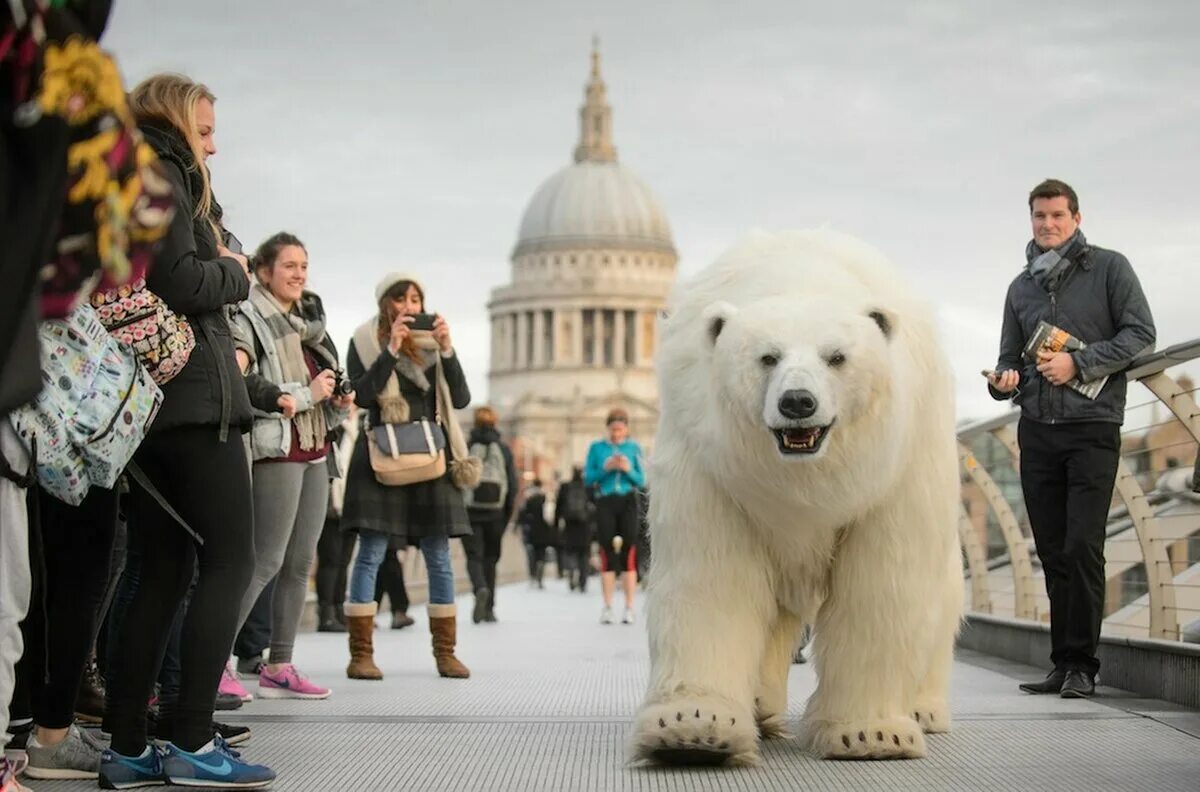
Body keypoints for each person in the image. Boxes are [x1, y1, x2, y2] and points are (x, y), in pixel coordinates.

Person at [100, 74, 275, 789]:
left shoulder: (124, 173)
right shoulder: (165, 171)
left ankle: (131, 747)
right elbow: (182, 282)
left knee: (162, 571)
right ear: (175, 121)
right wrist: (234, 270)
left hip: (151, 407)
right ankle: (195, 739)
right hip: (195, 402)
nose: (213, 144)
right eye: (205, 129)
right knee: (231, 560)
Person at [987, 178, 1155, 699]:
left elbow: (1140, 334)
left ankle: (1083, 665)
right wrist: (1002, 382)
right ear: (1031, 220)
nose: (1048, 224)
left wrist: (1078, 362)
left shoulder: (1109, 268)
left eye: (1058, 215)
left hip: (1092, 428)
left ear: (1076, 219)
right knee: (1054, 550)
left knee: (1083, 546)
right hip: (1037, 431)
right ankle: (1063, 664)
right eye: (1039, 216)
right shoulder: (1021, 288)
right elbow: (1009, 358)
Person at [230, 232, 353, 700]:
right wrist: (307, 394)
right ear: (264, 271)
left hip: (316, 449)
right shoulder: (250, 317)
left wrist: (338, 401)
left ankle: (279, 663)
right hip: (277, 450)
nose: (300, 274)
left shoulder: (307, 325)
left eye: (304, 265)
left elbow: (323, 404)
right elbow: (250, 386)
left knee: (301, 564)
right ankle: (218, 662)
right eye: (289, 266)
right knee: (265, 561)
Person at [341, 274, 473, 680]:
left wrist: (448, 351)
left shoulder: (434, 345)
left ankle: (445, 653)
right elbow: (362, 395)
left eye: (417, 298)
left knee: (438, 555)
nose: (411, 306)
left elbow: (462, 398)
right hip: (383, 453)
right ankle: (361, 654)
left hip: (430, 453)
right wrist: (392, 350)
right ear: (387, 304)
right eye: (403, 298)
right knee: (371, 552)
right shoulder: (365, 340)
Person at [583, 409, 646, 625]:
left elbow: (641, 479)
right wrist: (606, 468)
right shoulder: (597, 448)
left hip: (627, 501)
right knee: (607, 552)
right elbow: (588, 478)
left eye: (620, 429)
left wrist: (628, 469)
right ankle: (607, 606)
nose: (617, 434)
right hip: (606, 501)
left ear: (626, 429)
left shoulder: (634, 448)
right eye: (613, 430)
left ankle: (629, 607)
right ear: (608, 429)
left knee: (629, 551)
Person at [462, 407, 519, 622]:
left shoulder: (467, 447)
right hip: (496, 513)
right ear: (495, 423)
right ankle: (490, 609)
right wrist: (506, 515)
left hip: (470, 512)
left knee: (473, 557)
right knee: (491, 560)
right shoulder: (503, 450)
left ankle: (479, 589)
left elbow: (458, 480)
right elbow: (512, 485)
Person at [556, 467, 595, 594]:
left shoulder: (565, 487)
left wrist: (556, 524)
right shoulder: (589, 488)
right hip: (585, 527)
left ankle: (571, 572)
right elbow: (595, 507)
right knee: (584, 554)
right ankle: (583, 582)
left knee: (570, 552)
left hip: (569, 525)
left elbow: (558, 506)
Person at [519, 480, 555, 589]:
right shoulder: (544, 499)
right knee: (541, 554)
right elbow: (549, 517)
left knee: (531, 555)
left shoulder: (527, 499)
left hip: (530, 531)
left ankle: (533, 575)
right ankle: (540, 573)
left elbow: (522, 516)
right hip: (543, 531)